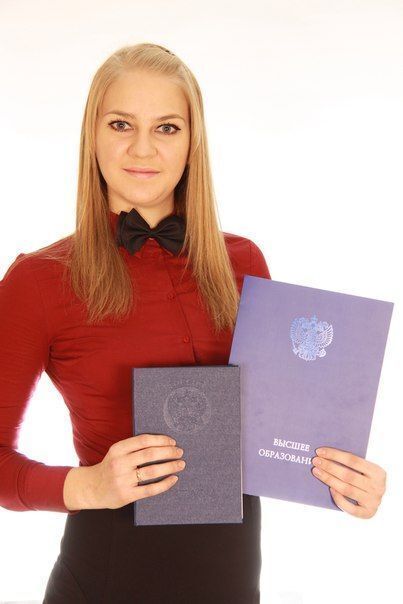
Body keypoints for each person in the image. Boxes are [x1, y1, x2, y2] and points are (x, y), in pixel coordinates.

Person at [0, 43, 272, 603]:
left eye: (167, 127)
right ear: (92, 135)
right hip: (107, 576)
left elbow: (277, 434)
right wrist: (88, 485)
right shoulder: (39, 280)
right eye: (121, 124)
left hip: (232, 581)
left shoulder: (244, 263)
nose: (143, 148)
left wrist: (341, 479)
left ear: (193, 142)